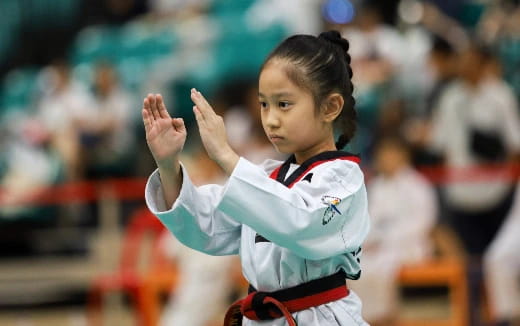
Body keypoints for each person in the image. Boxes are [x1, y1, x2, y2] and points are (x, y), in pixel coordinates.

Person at [143, 30, 370, 325]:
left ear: (330, 107)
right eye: (264, 104)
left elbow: (298, 223)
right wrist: (168, 164)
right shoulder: (266, 178)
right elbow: (204, 225)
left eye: (284, 104)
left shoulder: (344, 179)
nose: (271, 119)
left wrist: (225, 155)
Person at [349, 136, 437, 325]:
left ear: (402, 156)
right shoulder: (376, 186)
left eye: (389, 154)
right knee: (355, 268)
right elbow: (367, 220)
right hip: (376, 246)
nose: (384, 159)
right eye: (382, 154)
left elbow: (423, 223)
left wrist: (385, 240)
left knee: (381, 267)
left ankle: (385, 319)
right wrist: (370, 240)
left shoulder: (417, 185)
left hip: (408, 246)